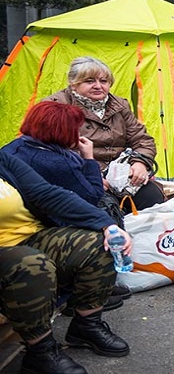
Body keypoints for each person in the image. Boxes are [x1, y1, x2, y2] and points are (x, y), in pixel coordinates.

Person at [0, 151, 132, 373]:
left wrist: (107, 225)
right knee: (31, 264)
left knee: (100, 243)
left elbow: (47, 193)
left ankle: (86, 325)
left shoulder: (4, 159)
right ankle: (40, 353)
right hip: (7, 253)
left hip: (30, 236)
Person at [2, 101, 131, 308]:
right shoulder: (57, 162)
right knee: (106, 205)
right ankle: (85, 290)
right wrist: (89, 158)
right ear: (64, 132)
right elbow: (91, 196)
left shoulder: (14, 148)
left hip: (31, 214)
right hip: (44, 222)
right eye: (75, 129)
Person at [44, 57, 165, 211]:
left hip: (119, 173)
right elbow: (52, 153)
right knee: (106, 207)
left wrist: (140, 163)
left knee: (152, 197)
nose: (98, 86)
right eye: (89, 81)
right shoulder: (56, 107)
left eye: (104, 81)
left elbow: (142, 139)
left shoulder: (120, 105)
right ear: (73, 83)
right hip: (77, 174)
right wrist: (89, 176)